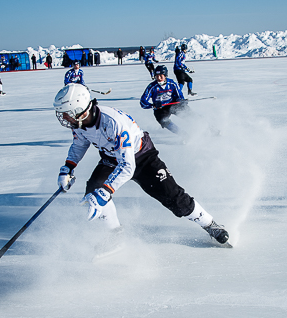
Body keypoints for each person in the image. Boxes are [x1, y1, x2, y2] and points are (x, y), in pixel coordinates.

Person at [53, 83, 230, 246]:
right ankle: (114, 234)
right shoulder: (79, 123)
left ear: (80, 110)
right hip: (111, 159)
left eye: (67, 113)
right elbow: (79, 144)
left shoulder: (113, 123)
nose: (64, 117)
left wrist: (106, 191)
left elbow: (127, 166)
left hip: (143, 158)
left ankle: (210, 224)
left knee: (174, 197)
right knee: (94, 190)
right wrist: (68, 167)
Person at [140, 65, 192, 135]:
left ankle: (203, 123)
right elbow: (143, 102)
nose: (159, 78)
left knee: (185, 111)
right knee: (163, 120)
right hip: (160, 108)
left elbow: (179, 95)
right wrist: (153, 105)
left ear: (165, 76)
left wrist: (181, 101)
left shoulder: (171, 83)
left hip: (172, 104)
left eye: (161, 76)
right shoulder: (152, 86)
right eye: (157, 76)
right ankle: (184, 134)